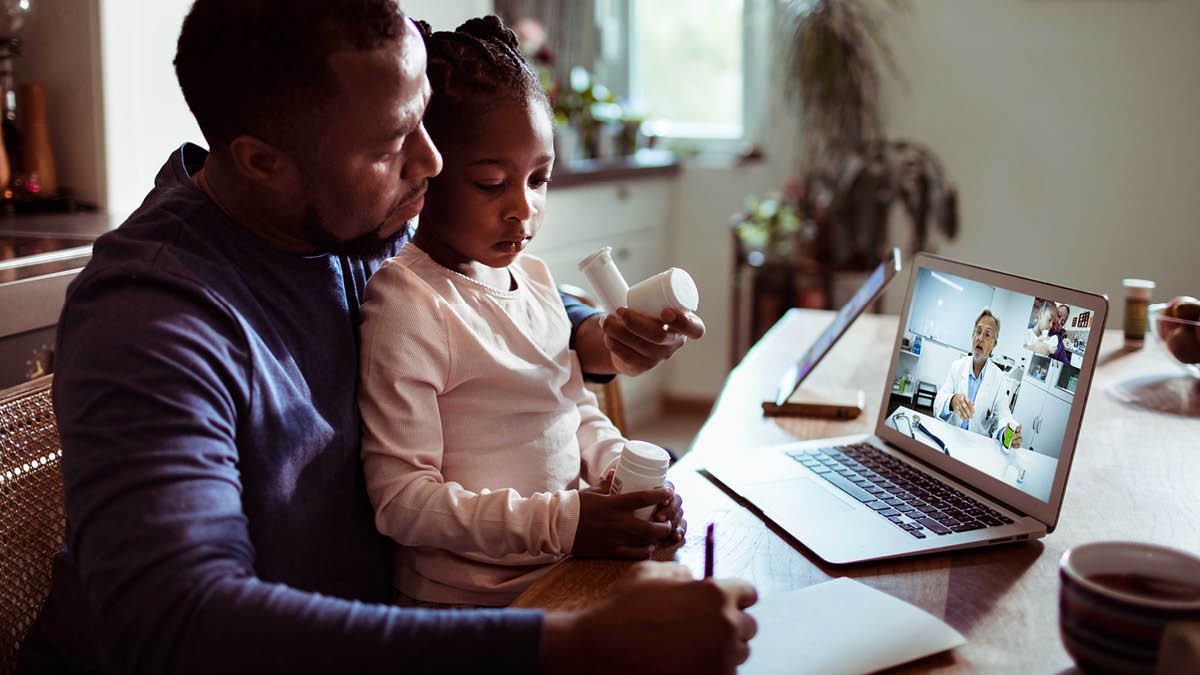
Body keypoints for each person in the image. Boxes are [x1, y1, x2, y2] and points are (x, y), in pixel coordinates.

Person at [16, 2, 755, 673]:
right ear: (263, 161)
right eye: (391, 144)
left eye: (425, 118)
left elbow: (484, 288)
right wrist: (570, 646)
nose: (433, 162)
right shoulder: (151, 319)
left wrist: (596, 333)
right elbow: (177, 623)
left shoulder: (362, 208)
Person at [357, 16, 683, 608]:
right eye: (490, 184)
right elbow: (403, 501)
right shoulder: (409, 305)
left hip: (563, 565)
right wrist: (568, 522)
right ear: (427, 167)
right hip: (470, 603)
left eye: (539, 180)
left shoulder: (532, 280)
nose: (522, 210)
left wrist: (622, 472)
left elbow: (572, 407)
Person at [933, 309, 1024, 447]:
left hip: (977, 445)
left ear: (994, 344)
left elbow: (1004, 414)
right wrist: (952, 401)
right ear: (973, 335)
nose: (980, 338)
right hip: (951, 437)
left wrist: (1007, 434)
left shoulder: (999, 378)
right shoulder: (956, 367)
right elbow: (939, 400)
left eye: (987, 334)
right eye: (978, 331)